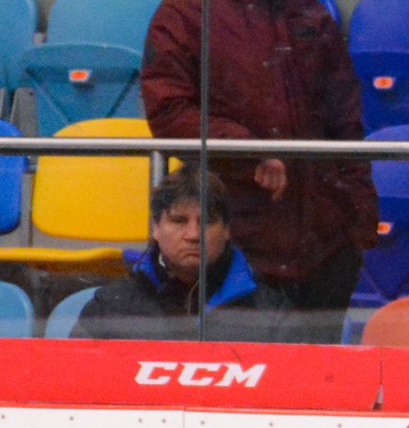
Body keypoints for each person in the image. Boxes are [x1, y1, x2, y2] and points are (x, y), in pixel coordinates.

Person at [140, 0, 380, 344]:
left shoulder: (309, 11)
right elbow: (169, 112)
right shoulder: (184, 14)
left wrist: (358, 219)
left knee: (315, 374)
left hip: (324, 245)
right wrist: (248, 150)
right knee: (238, 370)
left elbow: (345, 123)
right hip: (237, 244)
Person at [72, 169, 293, 341]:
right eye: (179, 221)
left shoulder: (271, 315)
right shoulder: (110, 308)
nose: (193, 235)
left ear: (227, 230)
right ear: (155, 228)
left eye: (206, 222)